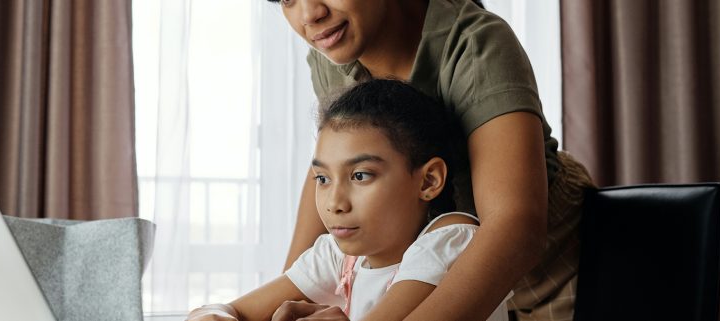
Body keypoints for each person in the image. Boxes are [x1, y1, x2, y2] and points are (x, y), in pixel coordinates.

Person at [268, 0, 595, 320]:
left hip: (550, 269)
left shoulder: (473, 44)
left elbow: (515, 228)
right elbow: (333, 164)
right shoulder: (333, 50)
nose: (310, 13)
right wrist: (283, 299)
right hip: (429, 276)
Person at [188, 80, 510, 321]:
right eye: (323, 179)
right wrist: (216, 315)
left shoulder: (451, 240)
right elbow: (229, 309)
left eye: (360, 176)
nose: (335, 203)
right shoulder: (341, 257)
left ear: (428, 180)